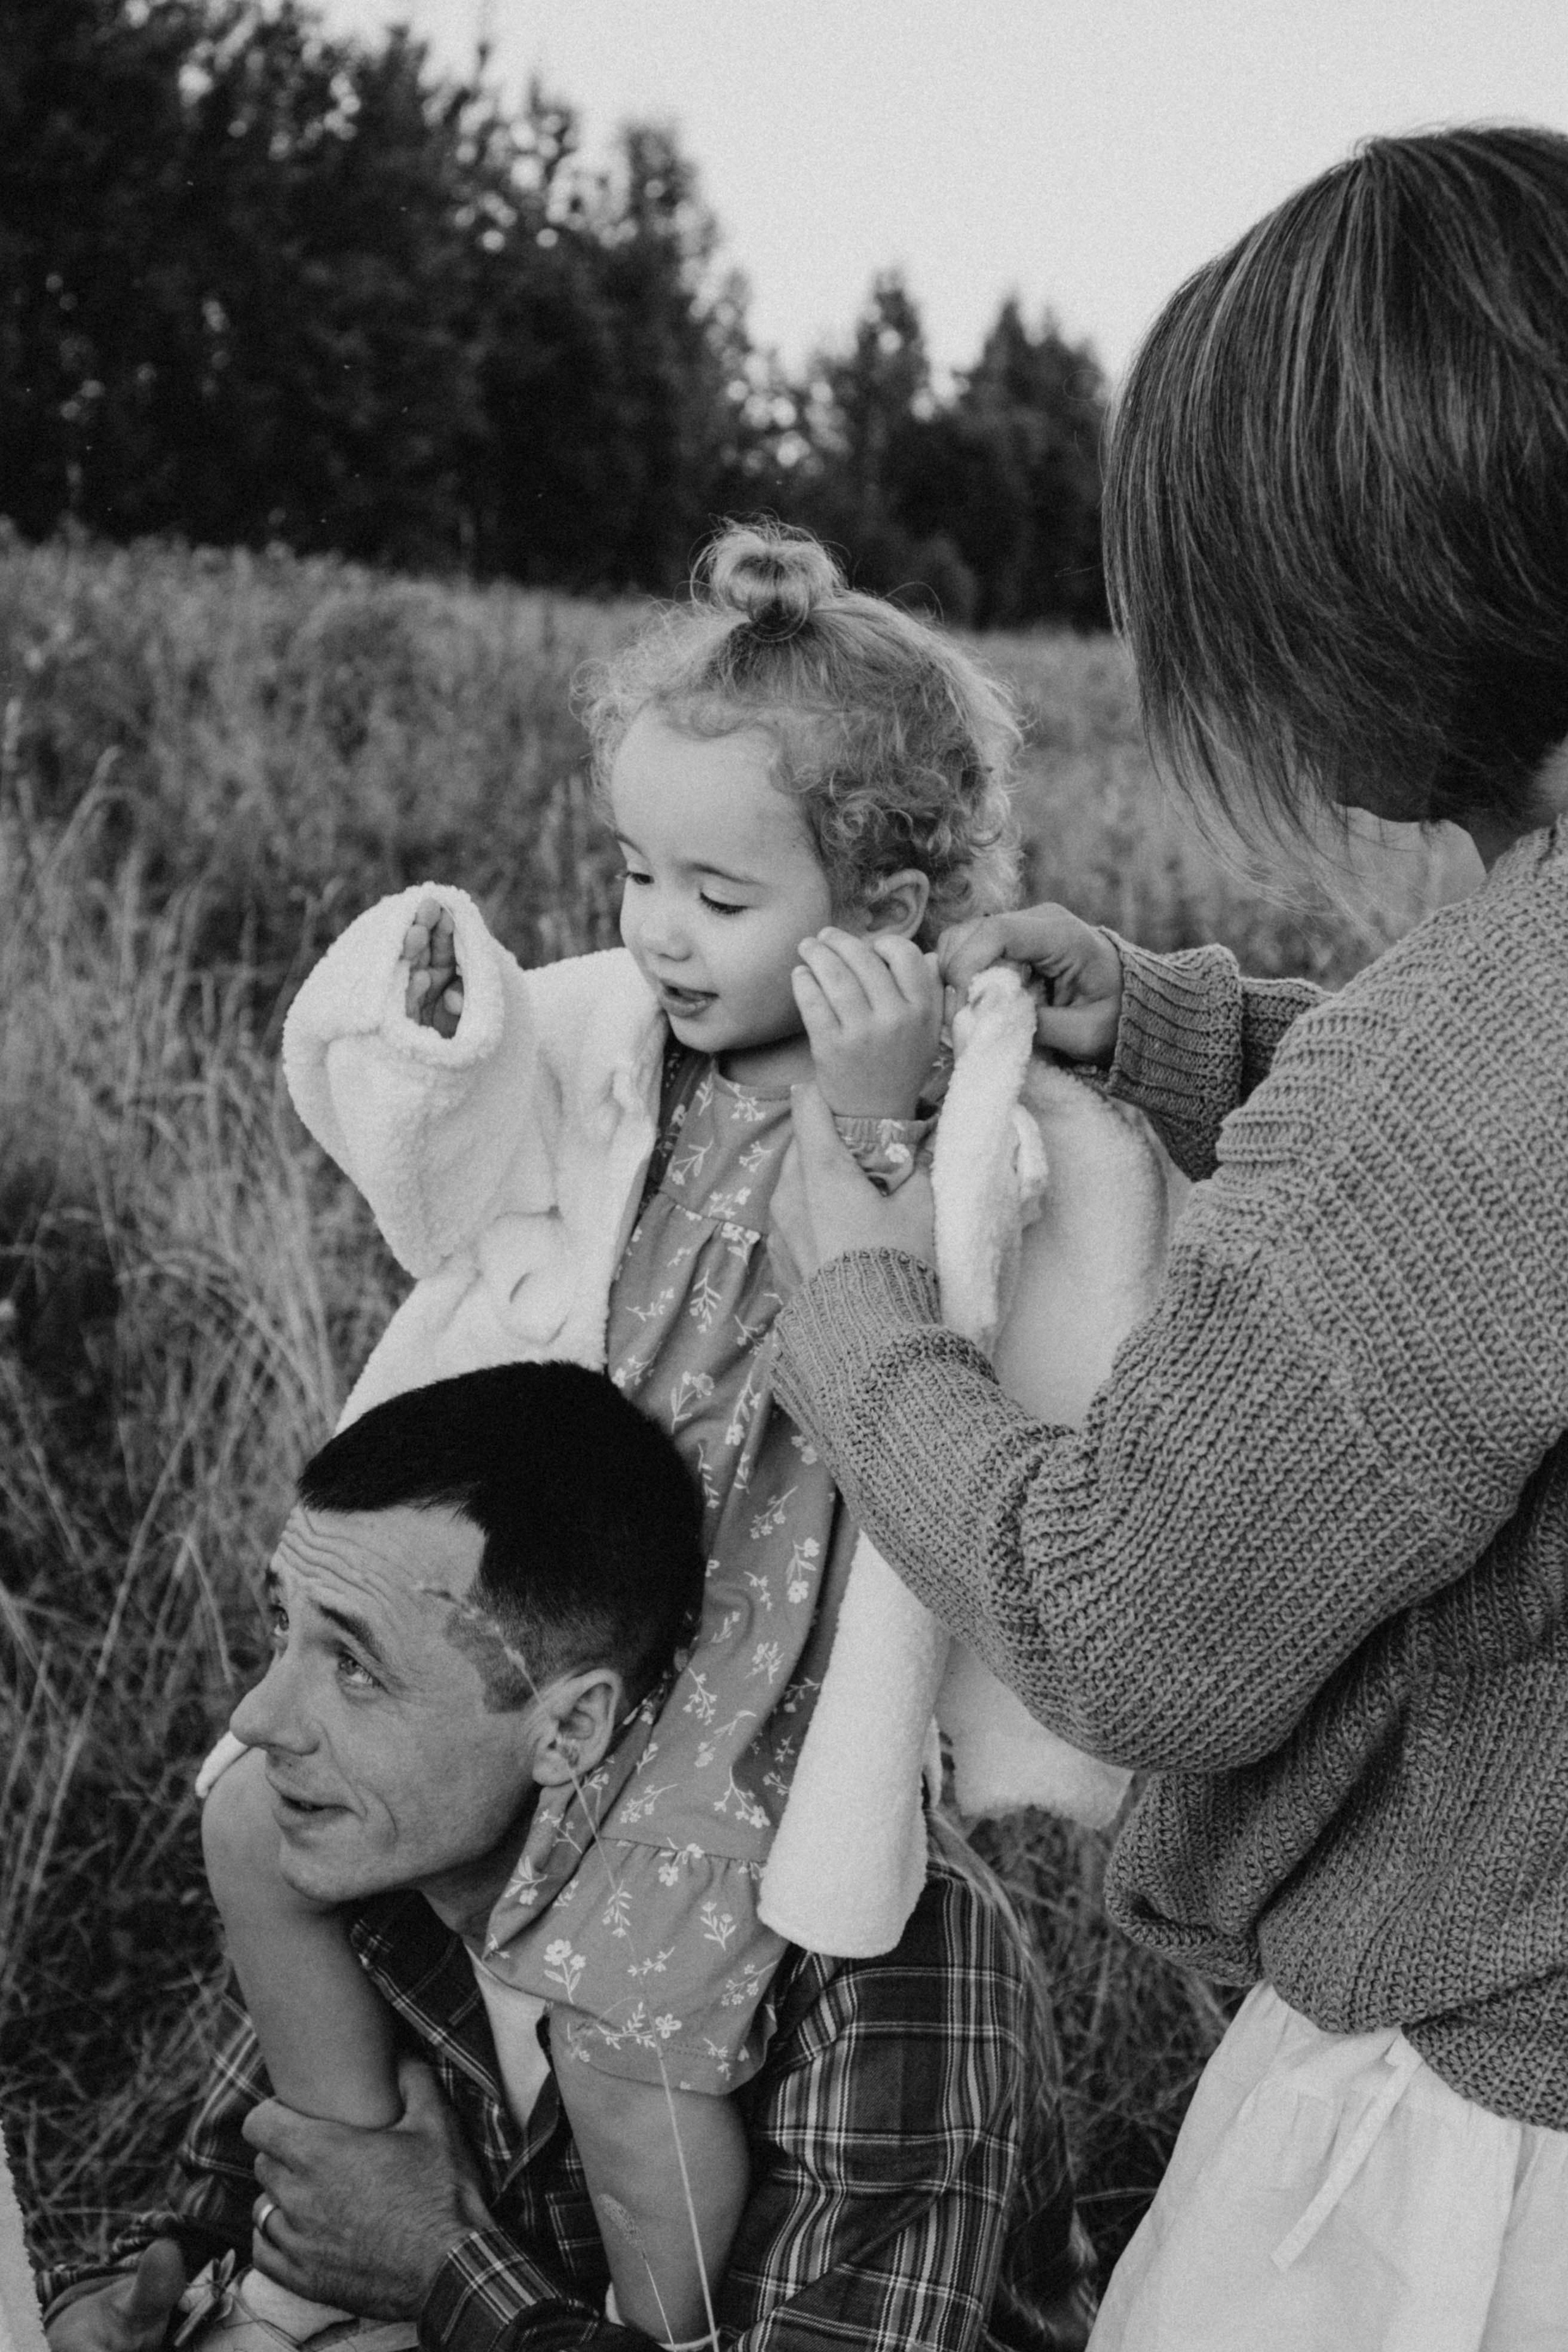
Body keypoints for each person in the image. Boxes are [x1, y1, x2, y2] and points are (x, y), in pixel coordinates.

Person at [766, 126, 1568, 2350]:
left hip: (1487, 2163)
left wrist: (855, 1318)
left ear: (1382, 588)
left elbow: (1128, 1626)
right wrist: (1202, 1035)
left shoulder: (1486, 1053)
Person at [199, 522, 1025, 2346]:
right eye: (637, 869)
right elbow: (455, 1157)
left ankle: (667, 2329)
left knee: (636, 2039)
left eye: (719, 898)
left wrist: (882, 1103)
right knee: (285, 1836)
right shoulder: (622, 1049)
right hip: (587, 1603)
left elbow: (944, 1285)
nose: (656, 927)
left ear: (880, 916)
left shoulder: (933, 1093)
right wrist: (442, 1023)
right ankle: (297, 2260)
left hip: (747, 1674)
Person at [38, 1364, 1095, 2352]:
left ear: (568, 1730)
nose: (258, 1715)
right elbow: (256, 2191)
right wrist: (134, 2292)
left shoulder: (876, 1948)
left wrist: (445, 2267)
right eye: (282, 1626)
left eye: (355, 1667)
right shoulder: (371, 1848)